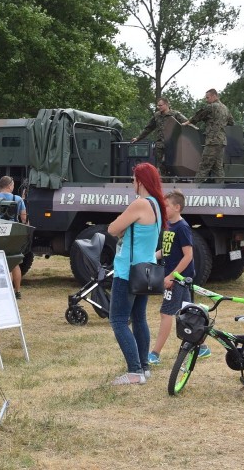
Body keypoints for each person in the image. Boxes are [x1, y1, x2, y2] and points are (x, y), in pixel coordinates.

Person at [106, 163, 166, 385]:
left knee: (118, 320)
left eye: (133, 179)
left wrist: (121, 227)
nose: (132, 183)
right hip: (147, 269)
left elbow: (112, 229)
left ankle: (134, 371)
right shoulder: (157, 205)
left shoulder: (139, 204)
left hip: (128, 270)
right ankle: (144, 366)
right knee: (139, 318)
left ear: (140, 180)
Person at [146, 191, 209, 366]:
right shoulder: (168, 226)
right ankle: (203, 347)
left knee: (166, 313)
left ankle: (155, 354)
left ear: (177, 207)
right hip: (177, 277)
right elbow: (166, 251)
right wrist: (151, 257)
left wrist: (172, 277)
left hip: (179, 279)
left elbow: (188, 256)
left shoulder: (182, 227)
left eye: (166, 206)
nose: (163, 209)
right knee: (187, 313)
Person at [0, 176, 29, 299]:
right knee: (14, 263)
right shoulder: (18, 199)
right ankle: (17, 291)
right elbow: (24, 218)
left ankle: (4, 291)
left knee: (0, 262)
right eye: (13, 184)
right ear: (9, 185)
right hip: (13, 232)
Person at [185, 88, 234, 182]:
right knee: (217, 167)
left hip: (212, 141)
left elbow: (198, 115)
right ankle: (221, 188)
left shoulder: (211, 107)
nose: (206, 100)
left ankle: (195, 188)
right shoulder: (225, 108)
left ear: (214, 96)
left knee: (204, 165)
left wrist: (188, 122)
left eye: (208, 98)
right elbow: (231, 122)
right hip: (221, 141)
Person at [131, 97, 188, 176]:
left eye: (160, 105)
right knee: (160, 165)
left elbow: (187, 123)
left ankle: (173, 181)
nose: (158, 107)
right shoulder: (157, 115)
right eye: (158, 106)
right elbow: (148, 128)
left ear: (166, 104)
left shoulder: (175, 114)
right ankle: (163, 182)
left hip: (173, 145)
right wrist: (138, 138)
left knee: (172, 165)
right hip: (160, 145)